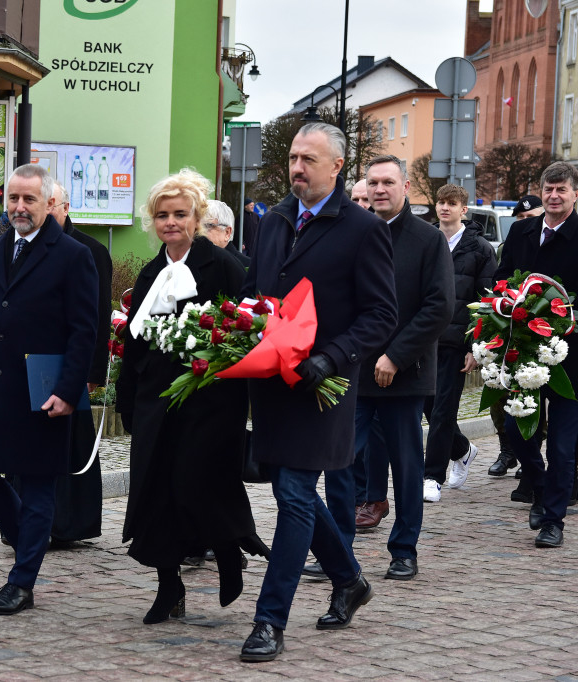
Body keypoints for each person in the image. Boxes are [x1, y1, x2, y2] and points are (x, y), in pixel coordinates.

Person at [239, 123, 398, 662]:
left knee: (292, 496)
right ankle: (350, 579)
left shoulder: (361, 228)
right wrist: (231, 326)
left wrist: (331, 357)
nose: (297, 167)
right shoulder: (275, 219)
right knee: (297, 493)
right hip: (274, 384)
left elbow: (381, 315)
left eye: (309, 158)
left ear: (336, 167)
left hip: (323, 387)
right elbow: (257, 294)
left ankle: (269, 620)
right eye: (292, 157)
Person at [115, 169, 268, 625]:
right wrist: (129, 399)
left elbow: (241, 334)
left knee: (199, 484)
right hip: (156, 402)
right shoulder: (150, 272)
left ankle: (226, 552)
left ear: (197, 217)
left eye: (180, 214)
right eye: (162, 215)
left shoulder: (222, 266)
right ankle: (168, 588)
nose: (171, 222)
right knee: (156, 492)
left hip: (209, 401)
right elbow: (134, 345)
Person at [0, 163, 98, 615]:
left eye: (29, 200)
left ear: (47, 204)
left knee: (39, 486)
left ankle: (21, 582)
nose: (19, 207)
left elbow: (84, 331)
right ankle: (30, 544)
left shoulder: (73, 255)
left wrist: (68, 389)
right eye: (13, 199)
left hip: (43, 390)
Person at [346, 155, 453, 581]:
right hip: (355, 372)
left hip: (405, 376)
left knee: (407, 467)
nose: (379, 190)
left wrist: (396, 355)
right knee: (340, 463)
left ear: (405, 186)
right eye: (373, 183)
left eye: (388, 182)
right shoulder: (353, 235)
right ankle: (338, 547)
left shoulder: (428, 240)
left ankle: (404, 550)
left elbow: (438, 307)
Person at [495, 161, 578, 548]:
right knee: (516, 428)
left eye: (562, 190)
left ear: (575, 194)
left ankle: (553, 521)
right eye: (549, 189)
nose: (554, 196)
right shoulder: (522, 231)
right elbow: (501, 279)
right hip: (523, 353)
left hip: (571, 356)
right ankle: (541, 487)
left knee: (563, 444)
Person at [47, 182, 112, 546]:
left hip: (74, 363)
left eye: (51, 203)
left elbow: (99, 317)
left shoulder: (91, 250)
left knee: (73, 444)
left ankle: (72, 523)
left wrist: (92, 372)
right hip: (37, 363)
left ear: (66, 207)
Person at [422, 184, 496, 502]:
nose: (444, 208)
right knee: (427, 405)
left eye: (451, 203)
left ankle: (431, 478)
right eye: (440, 202)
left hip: (456, 341)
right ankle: (463, 449)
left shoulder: (480, 248)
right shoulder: (426, 241)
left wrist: (475, 347)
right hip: (423, 340)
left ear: (463, 209)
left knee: (443, 410)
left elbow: (486, 300)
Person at [487, 194, 545, 478]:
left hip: (550, 326)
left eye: (530, 218)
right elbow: (501, 276)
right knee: (507, 393)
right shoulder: (512, 240)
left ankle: (535, 460)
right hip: (515, 325)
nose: (523, 224)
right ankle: (510, 451)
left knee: (542, 398)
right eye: (519, 219)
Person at [204, 199, 250, 266]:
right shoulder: (189, 263)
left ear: (227, 233)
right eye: (196, 227)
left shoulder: (247, 267)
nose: (199, 233)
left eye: (207, 226)